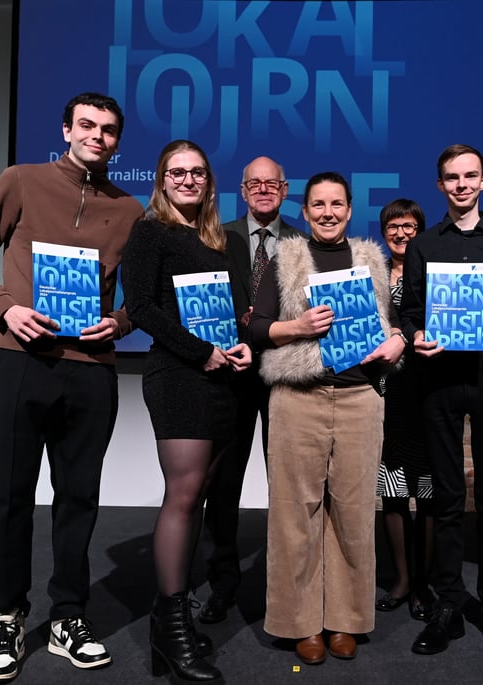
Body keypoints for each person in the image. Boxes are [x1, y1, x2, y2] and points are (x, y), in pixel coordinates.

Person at [0, 92, 144, 682]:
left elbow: (140, 301)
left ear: (118, 140)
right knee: (11, 498)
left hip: (92, 370)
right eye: (87, 125)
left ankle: (68, 615)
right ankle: (7, 616)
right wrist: (5, 308)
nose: (97, 136)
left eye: (109, 129)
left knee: (78, 499)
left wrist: (118, 322)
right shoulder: (21, 180)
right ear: (66, 129)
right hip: (21, 361)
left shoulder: (131, 209)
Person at [249, 172, 407, 665]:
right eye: (318, 204)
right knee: (296, 513)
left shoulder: (371, 259)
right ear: (307, 208)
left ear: (350, 207)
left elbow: (392, 322)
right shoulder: (286, 257)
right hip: (300, 398)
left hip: (361, 397)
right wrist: (296, 326)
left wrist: (398, 340)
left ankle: (345, 620)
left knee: (355, 513)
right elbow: (255, 326)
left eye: (337, 204)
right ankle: (301, 623)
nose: (327, 212)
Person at [121, 139, 252, 683]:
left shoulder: (214, 241)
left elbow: (216, 316)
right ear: (161, 178)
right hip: (178, 377)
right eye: (177, 172)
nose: (189, 179)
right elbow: (144, 308)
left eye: (198, 172)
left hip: (220, 375)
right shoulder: (149, 231)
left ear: (209, 182)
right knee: (182, 495)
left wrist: (237, 341)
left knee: (197, 495)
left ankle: (163, 626)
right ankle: (175, 630)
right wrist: (204, 352)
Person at [398, 144, 483, 656]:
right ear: (440, 186)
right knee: (448, 498)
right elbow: (409, 312)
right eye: (451, 178)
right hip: (440, 376)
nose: (461, 185)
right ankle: (449, 604)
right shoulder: (424, 245)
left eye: (470, 176)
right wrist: (415, 336)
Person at [199, 156, 304, 625]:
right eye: (254, 184)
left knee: (287, 486)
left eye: (272, 184)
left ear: (284, 190)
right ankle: (222, 583)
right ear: (242, 191)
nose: (263, 190)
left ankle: (283, 587)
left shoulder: (303, 240)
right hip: (229, 376)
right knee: (223, 486)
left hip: (285, 375)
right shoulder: (216, 236)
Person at [374, 199, 435, 622]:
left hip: (431, 391)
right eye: (393, 227)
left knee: (427, 494)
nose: (401, 233)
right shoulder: (372, 274)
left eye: (409, 226)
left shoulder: (435, 270)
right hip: (386, 392)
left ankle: (423, 582)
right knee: (392, 494)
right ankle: (399, 579)